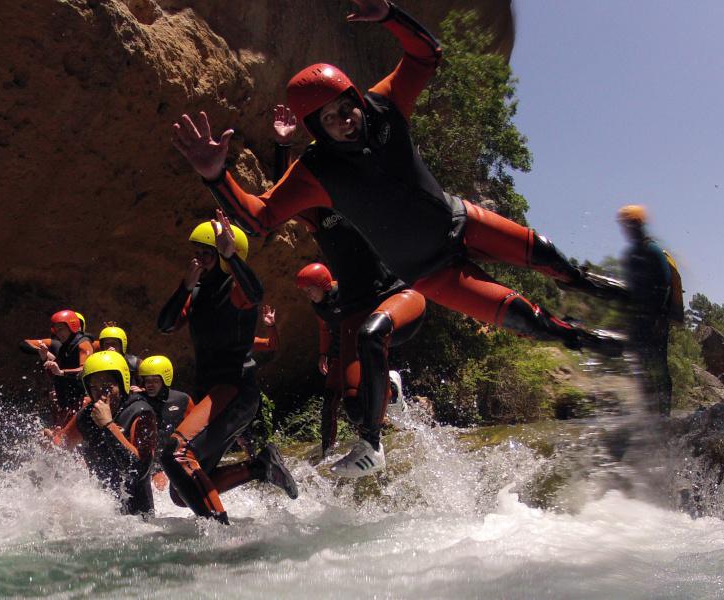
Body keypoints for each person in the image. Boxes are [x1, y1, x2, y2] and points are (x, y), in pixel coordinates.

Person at [173, 0, 629, 474]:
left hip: (461, 222)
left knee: (554, 261)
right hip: (429, 274)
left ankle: (610, 295)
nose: (344, 118)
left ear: (354, 96)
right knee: (527, 321)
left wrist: (389, 15)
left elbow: (426, 56)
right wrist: (215, 174)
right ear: (317, 130)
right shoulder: (317, 172)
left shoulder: (384, 108)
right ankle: (603, 347)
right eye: (329, 118)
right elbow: (262, 216)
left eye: (344, 107)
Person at [156, 211, 296, 522]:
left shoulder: (235, 289)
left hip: (234, 390)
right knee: (181, 492)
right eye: (198, 253)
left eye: (207, 253)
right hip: (214, 394)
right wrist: (183, 287)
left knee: (175, 453)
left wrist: (230, 257)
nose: (199, 260)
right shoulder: (197, 292)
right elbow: (165, 325)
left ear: (223, 255)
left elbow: (256, 293)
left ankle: (221, 534)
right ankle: (261, 466)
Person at [295, 263, 418, 457]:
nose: (308, 294)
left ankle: (391, 392)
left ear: (323, 284)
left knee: (357, 402)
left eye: (310, 289)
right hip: (338, 350)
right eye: (305, 291)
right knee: (329, 402)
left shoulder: (346, 292)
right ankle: (327, 452)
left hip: (358, 349)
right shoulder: (318, 304)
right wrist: (323, 354)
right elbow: (324, 328)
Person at [50, 350, 160, 515]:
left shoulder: (141, 413)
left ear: (122, 383)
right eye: (94, 387)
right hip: (102, 513)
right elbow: (62, 445)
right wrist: (50, 442)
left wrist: (108, 424)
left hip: (137, 519)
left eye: (108, 387)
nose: (101, 393)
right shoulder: (87, 414)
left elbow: (138, 470)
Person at [618, 204, 680, 416]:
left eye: (629, 225)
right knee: (642, 367)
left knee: (659, 367)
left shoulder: (652, 250)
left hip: (655, 320)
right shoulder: (631, 255)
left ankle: (664, 414)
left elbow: (665, 284)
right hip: (639, 321)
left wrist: (661, 319)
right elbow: (630, 291)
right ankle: (649, 414)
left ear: (638, 225)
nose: (626, 229)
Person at [20, 310, 94, 427]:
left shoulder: (84, 344)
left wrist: (61, 372)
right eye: (56, 330)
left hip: (81, 400)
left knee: (61, 438)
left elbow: (86, 370)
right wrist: (43, 354)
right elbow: (23, 344)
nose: (59, 333)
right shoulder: (61, 346)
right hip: (66, 400)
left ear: (72, 326)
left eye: (61, 329)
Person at [97, 325, 145, 393]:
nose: (111, 348)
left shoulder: (135, 362)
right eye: (107, 344)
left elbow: (150, 383)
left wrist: (142, 390)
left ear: (122, 346)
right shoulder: (98, 363)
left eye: (114, 344)